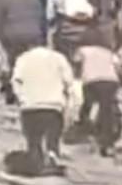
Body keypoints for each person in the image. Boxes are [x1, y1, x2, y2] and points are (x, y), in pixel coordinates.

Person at [12, 42, 75, 173]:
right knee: (52, 137)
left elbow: (16, 81)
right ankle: (51, 156)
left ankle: (36, 161)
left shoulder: (23, 58)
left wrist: (21, 97)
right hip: (53, 106)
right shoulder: (59, 58)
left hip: (30, 105)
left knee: (33, 140)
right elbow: (69, 82)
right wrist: (69, 103)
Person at [77, 27, 122, 155]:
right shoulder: (108, 52)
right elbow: (118, 68)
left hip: (91, 80)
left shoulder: (83, 50)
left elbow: (76, 62)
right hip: (111, 81)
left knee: (87, 105)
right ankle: (107, 140)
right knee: (106, 110)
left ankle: (85, 128)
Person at [0, 0, 45, 74]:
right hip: (33, 33)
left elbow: (0, 15)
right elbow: (41, 13)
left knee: (14, 59)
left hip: (13, 35)